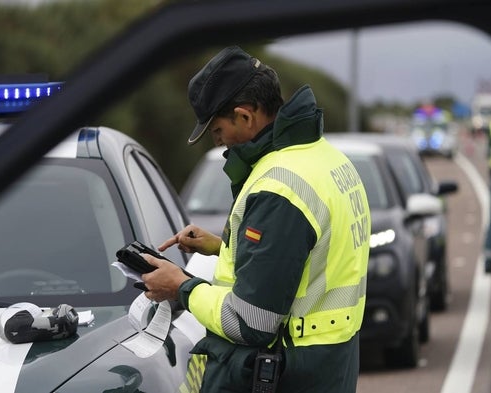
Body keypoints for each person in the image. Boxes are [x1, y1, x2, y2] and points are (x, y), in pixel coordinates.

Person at [139, 46, 371, 393]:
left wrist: (181, 287)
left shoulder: (279, 188)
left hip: (289, 373)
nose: (219, 145)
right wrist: (225, 247)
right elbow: (307, 262)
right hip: (328, 364)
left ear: (245, 117)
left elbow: (251, 321)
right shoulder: (326, 160)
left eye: (217, 132)